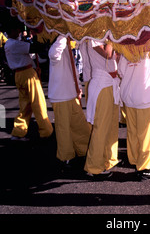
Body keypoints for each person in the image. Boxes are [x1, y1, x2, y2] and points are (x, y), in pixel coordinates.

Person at [4, 18, 53, 141]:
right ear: (13, 31)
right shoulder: (15, 44)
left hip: (18, 75)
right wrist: (37, 33)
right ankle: (46, 131)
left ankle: (18, 131)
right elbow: (36, 48)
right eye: (17, 30)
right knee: (38, 102)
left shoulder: (9, 44)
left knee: (25, 105)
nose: (19, 32)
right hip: (27, 74)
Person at [48, 35, 91, 170]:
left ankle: (84, 150)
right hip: (60, 96)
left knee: (79, 125)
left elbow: (74, 71)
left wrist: (77, 87)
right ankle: (66, 157)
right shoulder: (58, 46)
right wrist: (62, 36)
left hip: (71, 94)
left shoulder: (67, 47)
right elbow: (53, 55)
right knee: (64, 129)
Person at [118, 52, 150, 181]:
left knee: (132, 131)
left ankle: (135, 159)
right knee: (146, 134)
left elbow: (121, 71)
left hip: (129, 95)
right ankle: (145, 167)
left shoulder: (127, 48)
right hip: (145, 96)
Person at [84, 40, 121, 179]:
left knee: (111, 125)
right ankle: (94, 167)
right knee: (101, 127)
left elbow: (115, 57)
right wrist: (111, 39)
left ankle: (108, 159)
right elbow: (108, 54)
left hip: (111, 83)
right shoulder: (94, 35)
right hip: (102, 84)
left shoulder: (105, 34)